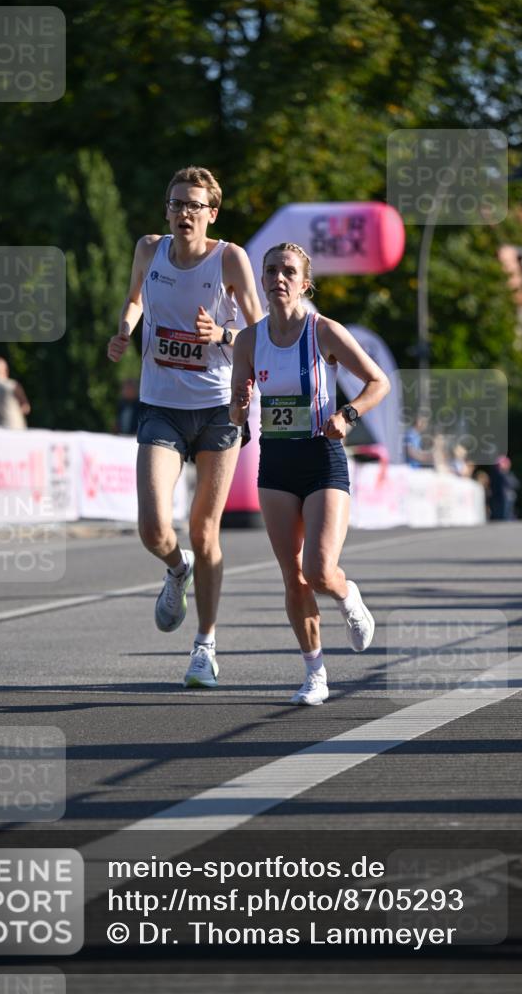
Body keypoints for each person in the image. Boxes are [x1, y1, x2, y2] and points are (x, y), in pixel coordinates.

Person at [107, 166, 263, 688]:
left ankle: (205, 646)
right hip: (161, 405)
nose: (183, 214)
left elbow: (259, 332)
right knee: (154, 528)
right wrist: (124, 331)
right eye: (176, 204)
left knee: (204, 529)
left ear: (211, 213)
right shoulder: (149, 250)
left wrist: (221, 334)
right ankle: (178, 569)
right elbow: (134, 300)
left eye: (194, 205)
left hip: (218, 408)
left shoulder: (230, 259)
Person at [230, 243, 391, 706]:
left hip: (322, 458)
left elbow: (378, 382)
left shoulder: (324, 331)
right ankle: (315, 673)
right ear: (262, 280)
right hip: (276, 463)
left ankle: (347, 594)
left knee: (318, 571)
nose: (278, 278)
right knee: (293, 578)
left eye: (288, 272)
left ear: (305, 283)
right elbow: (237, 413)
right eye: (271, 271)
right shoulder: (248, 340)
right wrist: (240, 405)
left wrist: (349, 414)